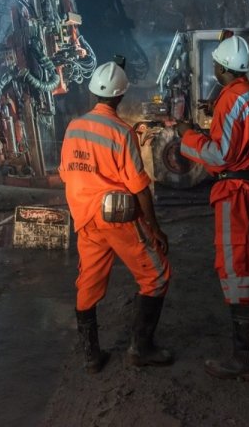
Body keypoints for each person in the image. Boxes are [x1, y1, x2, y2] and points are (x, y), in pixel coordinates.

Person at [175, 35, 249, 381]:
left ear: (219, 67)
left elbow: (220, 156)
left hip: (234, 192)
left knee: (236, 266)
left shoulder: (230, 99)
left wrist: (187, 136)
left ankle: (245, 358)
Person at [59, 60, 173, 374]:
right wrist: (155, 228)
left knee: (88, 284)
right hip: (117, 218)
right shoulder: (121, 132)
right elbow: (139, 187)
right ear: (121, 97)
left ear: (93, 92)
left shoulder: (73, 128)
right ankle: (141, 348)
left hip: (84, 219)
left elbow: (66, 173)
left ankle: (91, 356)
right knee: (157, 275)